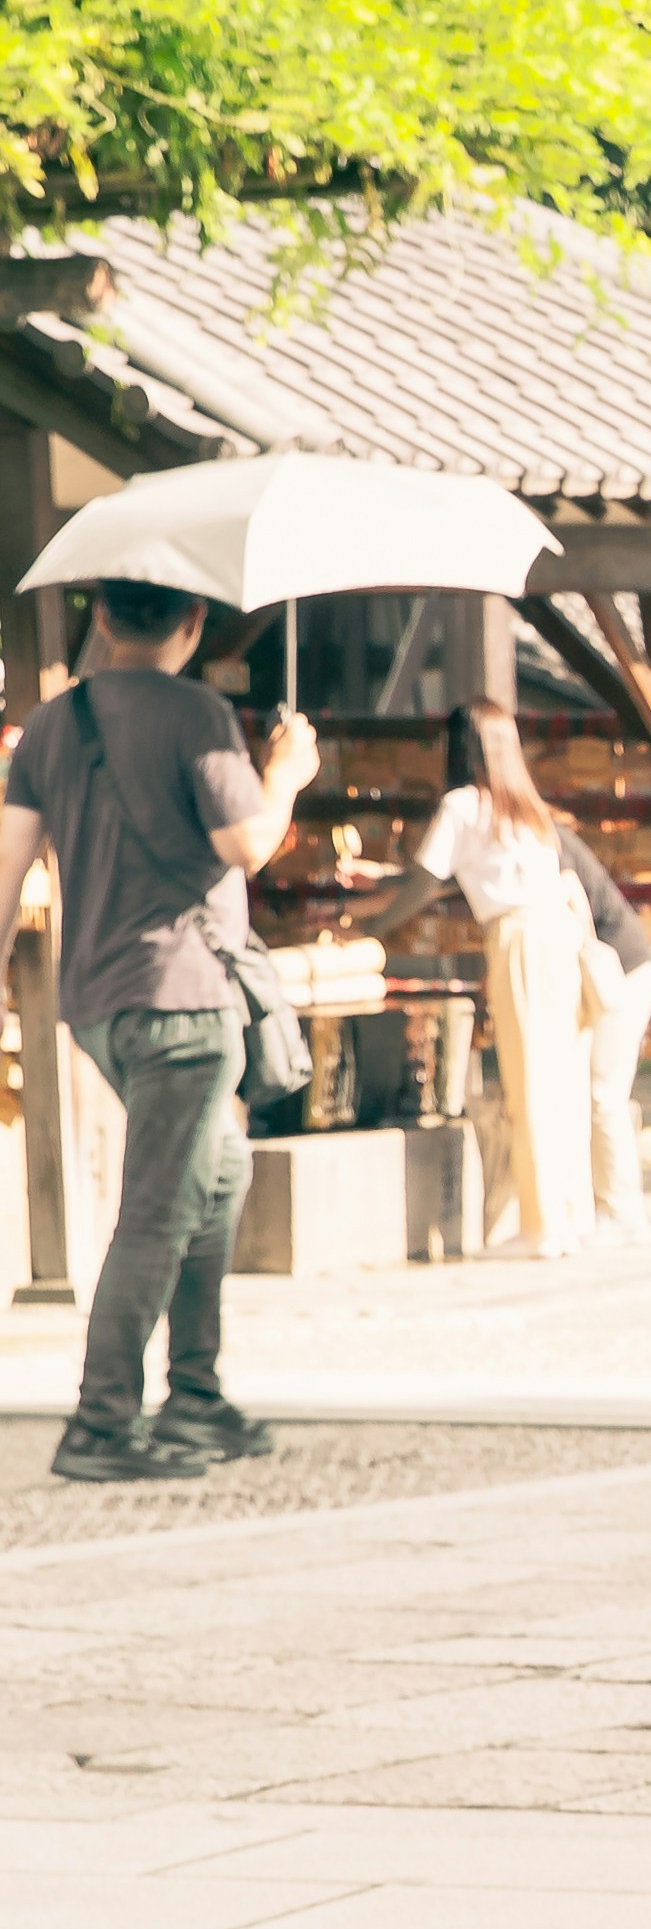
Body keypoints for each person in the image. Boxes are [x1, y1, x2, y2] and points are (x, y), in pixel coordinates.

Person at [0, 576, 319, 1483]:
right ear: (191, 622)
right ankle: (101, 1421)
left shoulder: (53, 724)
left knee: (217, 1179)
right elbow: (246, 844)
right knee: (158, 1209)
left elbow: (8, 855)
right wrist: (286, 775)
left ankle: (194, 1398)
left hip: (97, 994)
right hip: (183, 992)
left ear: (101, 617)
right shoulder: (197, 715)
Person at [358, 702, 594, 1257]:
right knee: (559, 1078)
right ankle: (566, 1214)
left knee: (528, 1078)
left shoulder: (463, 806)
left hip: (519, 939)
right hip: (558, 936)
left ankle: (541, 1228)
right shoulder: (528, 809)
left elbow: (424, 883)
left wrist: (371, 926)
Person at [561, 822, 651, 1245]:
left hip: (619, 974)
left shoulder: (544, 837)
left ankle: (623, 1212)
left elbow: (571, 897)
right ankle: (603, 1207)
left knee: (603, 1094)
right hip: (614, 973)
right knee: (597, 1093)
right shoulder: (541, 833)